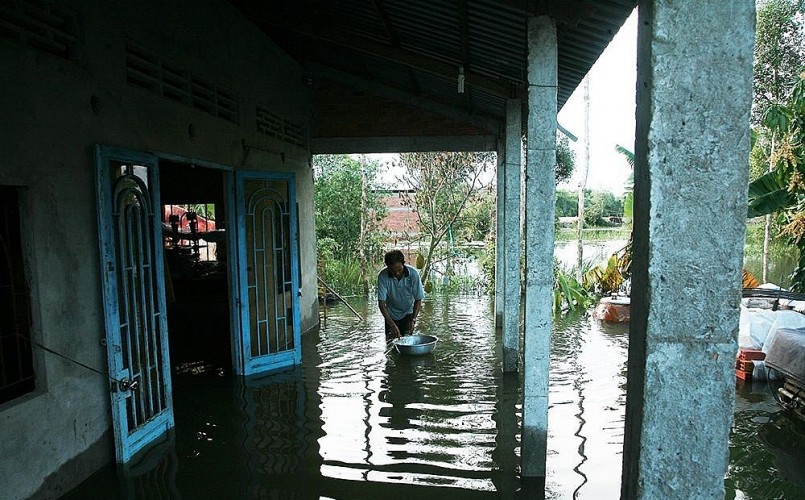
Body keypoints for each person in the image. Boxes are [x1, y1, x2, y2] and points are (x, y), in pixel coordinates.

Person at [377, 249, 425, 342]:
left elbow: (418, 299)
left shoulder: (413, 274)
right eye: (392, 271)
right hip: (390, 315)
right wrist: (392, 325)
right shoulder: (382, 276)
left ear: (404, 264)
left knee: (407, 342)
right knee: (391, 344)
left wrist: (413, 319)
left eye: (399, 269)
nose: (397, 273)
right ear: (388, 267)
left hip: (408, 314)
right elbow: (381, 304)